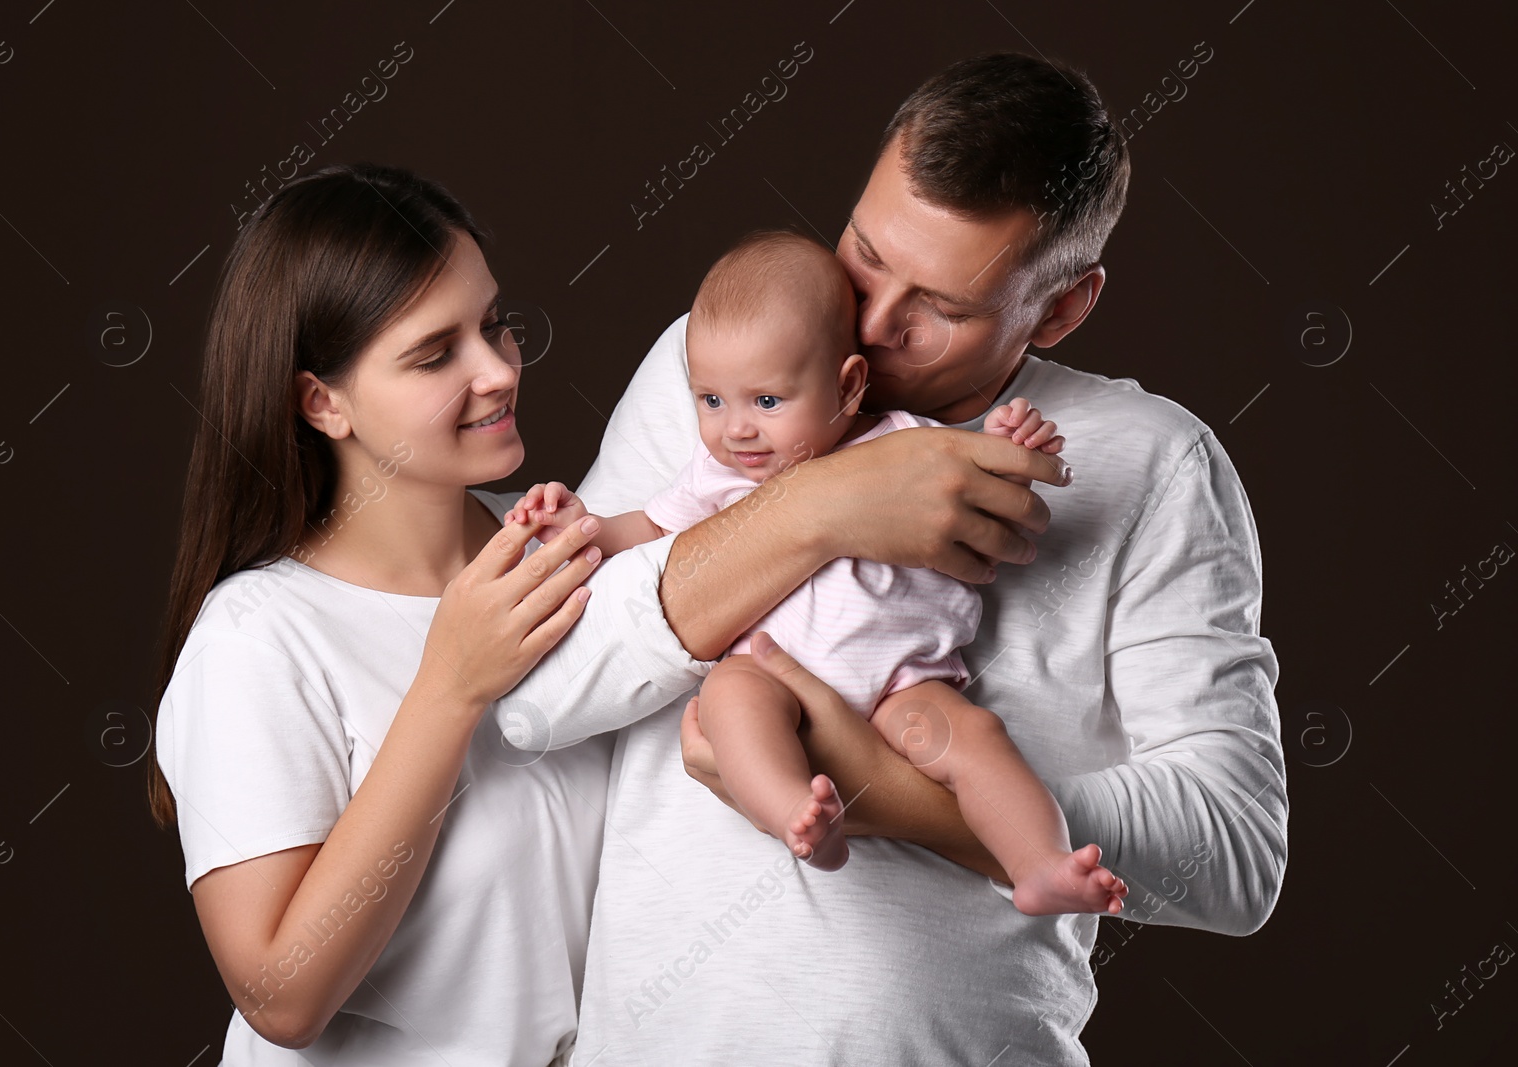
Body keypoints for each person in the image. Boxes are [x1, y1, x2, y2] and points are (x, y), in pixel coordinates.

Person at [502, 52, 1285, 1062]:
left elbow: (1233, 856)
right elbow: (538, 695)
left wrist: (891, 793)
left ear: (1060, 308)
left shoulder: (1154, 464)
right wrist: (813, 509)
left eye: (941, 307)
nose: (869, 325)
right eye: (865, 254)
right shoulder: (726, 368)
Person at [149, 162, 633, 1063]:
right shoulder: (257, 641)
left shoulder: (559, 544)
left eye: (494, 325)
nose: (496, 371)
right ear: (322, 402)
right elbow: (279, 998)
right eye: (434, 353)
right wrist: (448, 689)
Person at [506, 230, 1128, 918]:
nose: (735, 430)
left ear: (848, 384)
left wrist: (1009, 445)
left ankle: (1038, 862)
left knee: (976, 741)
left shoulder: (905, 441)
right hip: (772, 670)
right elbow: (651, 532)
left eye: (767, 403)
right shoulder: (718, 475)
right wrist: (580, 526)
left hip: (905, 684)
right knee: (730, 701)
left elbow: (978, 488)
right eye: (711, 400)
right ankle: (796, 813)